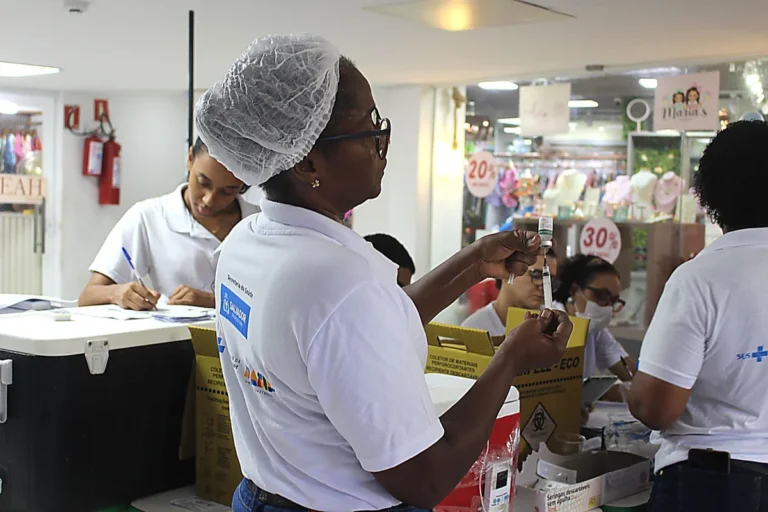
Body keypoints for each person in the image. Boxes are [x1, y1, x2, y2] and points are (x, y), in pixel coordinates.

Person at [197, 34, 573, 512]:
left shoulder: (249, 242)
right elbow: (424, 476)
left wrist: (474, 263)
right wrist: (509, 361)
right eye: (369, 128)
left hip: (263, 495)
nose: (383, 142)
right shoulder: (337, 283)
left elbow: (354, 340)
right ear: (308, 160)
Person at [628, 120, 768, 511]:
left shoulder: (700, 278)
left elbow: (656, 409)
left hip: (715, 484)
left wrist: (634, 389)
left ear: (709, 195)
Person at [78, 138, 259, 310]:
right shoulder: (149, 216)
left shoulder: (260, 222)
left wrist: (215, 301)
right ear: (189, 159)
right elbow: (88, 296)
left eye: (228, 192)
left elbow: (280, 302)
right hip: (175, 340)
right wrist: (117, 293)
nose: (209, 200)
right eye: (203, 182)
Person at [552, 254, 635, 382]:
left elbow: (628, 371)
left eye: (614, 301)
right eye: (602, 296)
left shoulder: (595, 330)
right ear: (575, 290)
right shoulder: (547, 320)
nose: (608, 307)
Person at [461, 247, 558, 336]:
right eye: (536, 275)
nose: (545, 287)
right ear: (508, 271)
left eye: (551, 281)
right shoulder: (474, 330)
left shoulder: (554, 326)